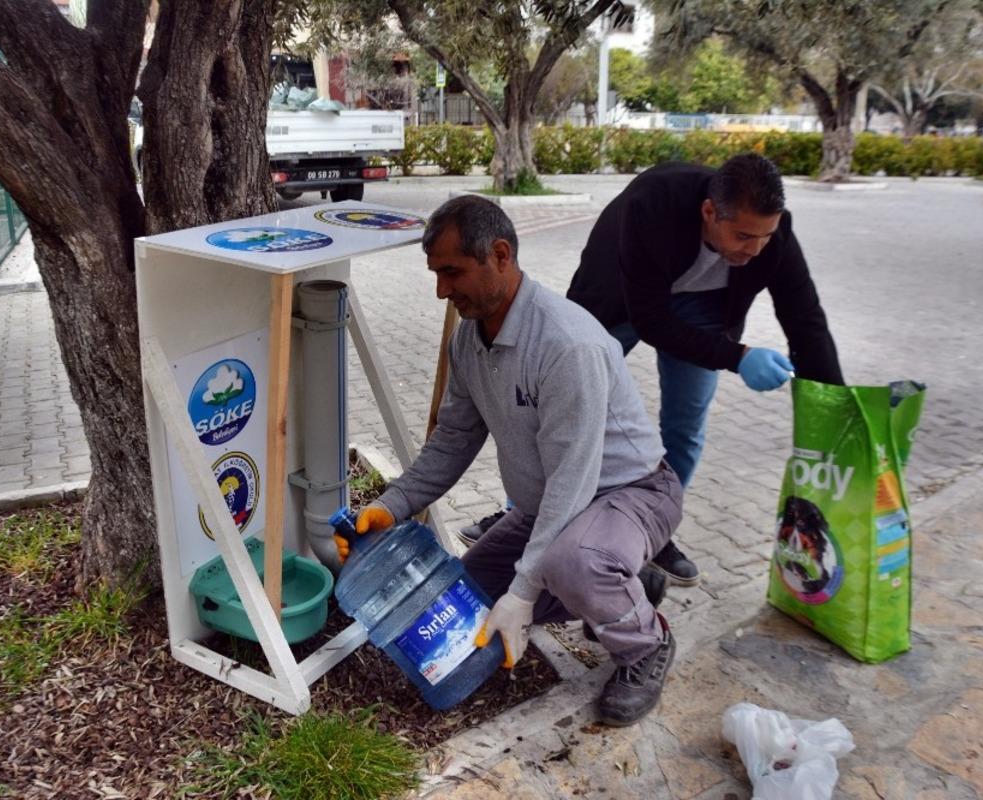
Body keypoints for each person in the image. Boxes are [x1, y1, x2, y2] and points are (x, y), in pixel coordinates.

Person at [336, 195, 685, 726]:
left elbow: (573, 478)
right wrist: (394, 503)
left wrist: (524, 592)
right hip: (550, 508)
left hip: (631, 494)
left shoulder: (567, 344)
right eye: (436, 274)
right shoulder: (468, 342)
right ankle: (625, 588)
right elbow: (453, 438)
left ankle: (645, 646)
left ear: (500, 255)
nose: (441, 291)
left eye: (452, 272)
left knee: (571, 563)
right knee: (464, 599)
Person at [565, 153, 844, 582]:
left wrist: (834, 410)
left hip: (704, 309)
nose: (754, 250)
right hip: (621, 298)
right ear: (709, 212)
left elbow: (804, 318)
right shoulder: (653, 203)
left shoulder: (773, 233)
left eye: (764, 237)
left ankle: (651, 528)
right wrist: (739, 357)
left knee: (686, 425)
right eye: (743, 236)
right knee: (570, 402)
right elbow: (651, 319)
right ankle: (523, 518)